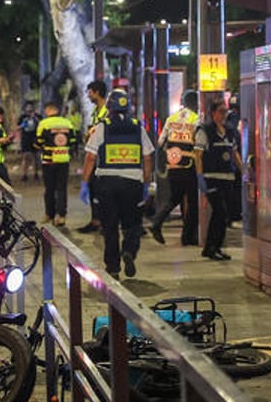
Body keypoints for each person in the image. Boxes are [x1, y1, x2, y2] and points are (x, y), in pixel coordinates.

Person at [80, 90, 154, 278]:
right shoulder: (138, 127)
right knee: (132, 225)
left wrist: (85, 183)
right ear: (128, 108)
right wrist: (146, 183)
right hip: (132, 184)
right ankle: (128, 251)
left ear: (109, 108)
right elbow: (147, 158)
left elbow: (90, 157)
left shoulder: (102, 127)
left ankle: (113, 267)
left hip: (107, 184)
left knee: (110, 227)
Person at [195, 96, 243, 261]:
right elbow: (198, 155)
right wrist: (200, 176)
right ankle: (211, 247)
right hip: (212, 177)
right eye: (221, 111)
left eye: (225, 112)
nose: (224, 115)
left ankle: (215, 247)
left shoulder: (230, 131)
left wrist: (243, 170)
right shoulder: (205, 131)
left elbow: (234, 153)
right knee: (220, 211)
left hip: (228, 177)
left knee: (225, 214)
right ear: (213, 113)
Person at [150, 89, 200, 246]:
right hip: (190, 165)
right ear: (195, 103)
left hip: (173, 165)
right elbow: (198, 144)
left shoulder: (171, 119)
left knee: (175, 198)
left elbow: (160, 142)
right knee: (193, 202)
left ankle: (157, 222)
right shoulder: (196, 119)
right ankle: (188, 237)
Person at [76, 80, 110, 234]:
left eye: (89, 92)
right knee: (94, 189)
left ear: (97, 92)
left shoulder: (107, 111)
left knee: (102, 191)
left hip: (105, 158)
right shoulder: (97, 111)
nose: (88, 95)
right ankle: (96, 220)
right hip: (95, 154)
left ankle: (105, 222)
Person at [35, 101, 75, 226]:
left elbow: (38, 142)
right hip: (64, 160)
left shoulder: (44, 124)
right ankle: (61, 216)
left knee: (49, 188)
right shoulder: (67, 123)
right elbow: (73, 141)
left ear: (47, 111)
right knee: (62, 188)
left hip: (49, 160)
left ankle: (49, 214)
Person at [16, 101, 41, 182]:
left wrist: (35, 119)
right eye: (28, 108)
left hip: (35, 139)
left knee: (36, 157)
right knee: (26, 157)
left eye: (31, 108)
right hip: (26, 139)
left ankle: (36, 173)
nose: (29, 110)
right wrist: (22, 125)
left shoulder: (38, 116)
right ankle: (24, 174)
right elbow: (18, 127)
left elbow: (42, 126)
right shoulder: (22, 117)